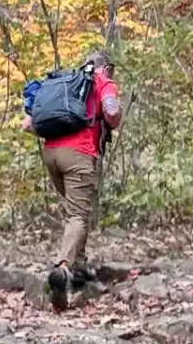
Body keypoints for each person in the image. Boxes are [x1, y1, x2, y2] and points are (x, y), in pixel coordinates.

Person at [25, 50, 122, 312]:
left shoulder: (64, 83)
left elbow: (28, 125)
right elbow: (111, 113)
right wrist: (111, 118)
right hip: (79, 155)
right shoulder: (101, 81)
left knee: (76, 212)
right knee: (78, 216)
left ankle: (79, 266)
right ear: (105, 67)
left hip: (51, 154)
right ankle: (64, 269)